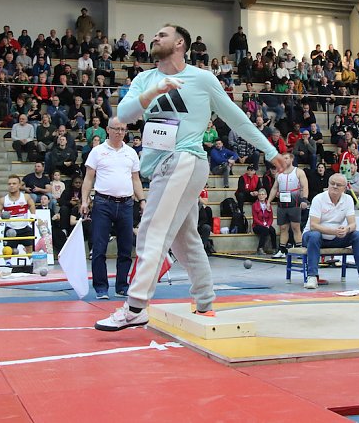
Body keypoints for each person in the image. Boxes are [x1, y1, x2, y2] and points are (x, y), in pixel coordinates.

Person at [95, 24, 287, 331]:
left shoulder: (201, 79)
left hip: (185, 159)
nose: (155, 37)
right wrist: (154, 91)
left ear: (180, 43)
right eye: (154, 34)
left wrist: (268, 149)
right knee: (185, 240)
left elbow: (236, 117)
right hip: (161, 165)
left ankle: (135, 306)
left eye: (162, 34)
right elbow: (124, 116)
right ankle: (205, 302)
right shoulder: (144, 79)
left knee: (152, 231)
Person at [81, 117, 146, 300]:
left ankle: (122, 286)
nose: (119, 132)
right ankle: (101, 288)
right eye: (116, 129)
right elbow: (88, 178)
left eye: (123, 129)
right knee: (99, 247)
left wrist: (142, 200)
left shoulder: (131, 153)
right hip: (103, 203)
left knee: (126, 248)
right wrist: (84, 201)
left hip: (126, 204)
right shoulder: (97, 151)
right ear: (107, 130)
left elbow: (135, 179)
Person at [301, 173, 359, 289]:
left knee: (357, 235)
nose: (335, 187)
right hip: (312, 237)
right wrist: (334, 231)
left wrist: (346, 229)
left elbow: (353, 224)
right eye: (332, 184)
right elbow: (313, 225)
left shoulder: (348, 199)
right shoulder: (318, 199)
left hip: (335, 237)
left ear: (344, 188)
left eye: (338, 185)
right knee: (315, 235)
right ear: (328, 185)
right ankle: (312, 276)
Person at [269, 152, 309, 258]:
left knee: (296, 227)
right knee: (283, 228)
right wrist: (268, 201)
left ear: (291, 159)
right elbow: (274, 188)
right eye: (283, 158)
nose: (284, 160)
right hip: (282, 204)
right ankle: (282, 250)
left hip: (294, 202)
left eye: (286, 158)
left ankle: (299, 250)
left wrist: (304, 199)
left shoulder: (298, 172)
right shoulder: (279, 173)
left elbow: (305, 186)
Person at [0, 175, 37, 255]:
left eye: (14, 183)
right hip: (10, 229)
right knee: (7, 251)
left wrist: (33, 216)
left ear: (19, 185)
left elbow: (32, 205)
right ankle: (8, 265)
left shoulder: (25, 197)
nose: (11, 185)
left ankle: (31, 264)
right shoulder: (3, 200)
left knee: (30, 247)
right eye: (9, 184)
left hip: (24, 228)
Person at [251, 188, 276, 255]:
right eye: (259, 194)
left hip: (266, 224)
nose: (261, 196)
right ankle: (260, 248)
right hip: (257, 225)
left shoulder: (268, 205)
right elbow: (255, 219)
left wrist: (268, 225)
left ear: (266, 195)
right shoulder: (254, 205)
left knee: (272, 230)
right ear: (258, 196)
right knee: (264, 230)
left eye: (263, 194)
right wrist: (263, 225)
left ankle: (274, 248)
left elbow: (271, 218)